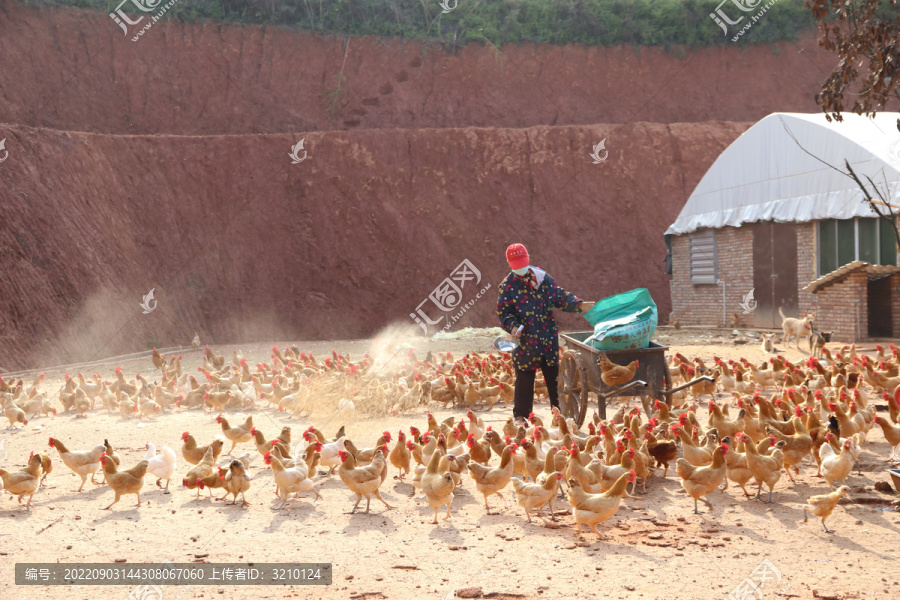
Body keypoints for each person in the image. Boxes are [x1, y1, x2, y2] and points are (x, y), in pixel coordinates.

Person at [496, 243, 594, 426]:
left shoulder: (542, 278)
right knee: (524, 377)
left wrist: (578, 304)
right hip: (525, 340)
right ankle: (521, 416)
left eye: (523, 264)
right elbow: (504, 313)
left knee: (554, 377)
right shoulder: (507, 286)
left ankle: (561, 414)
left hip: (547, 336)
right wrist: (513, 327)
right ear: (510, 264)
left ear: (529, 259)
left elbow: (559, 296)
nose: (522, 270)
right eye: (517, 266)